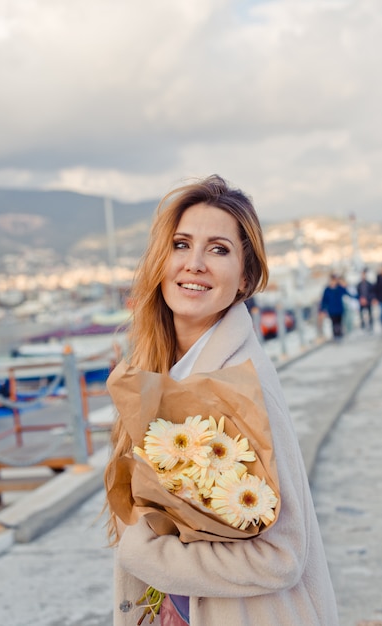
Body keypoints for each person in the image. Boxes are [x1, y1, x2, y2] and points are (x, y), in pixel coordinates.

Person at [104, 175, 339, 625]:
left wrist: (144, 553)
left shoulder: (239, 384)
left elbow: (280, 554)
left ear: (246, 276)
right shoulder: (169, 369)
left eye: (218, 249)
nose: (194, 264)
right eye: (181, 244)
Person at [319, 273, 349, 340]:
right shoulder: (327, 290)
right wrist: (322, 309)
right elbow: (324, 300)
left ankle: (340, 334)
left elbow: (347, 293)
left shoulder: (339, 288)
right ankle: (336, 336)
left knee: (339, 323)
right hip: (331, 310)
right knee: (334, 323)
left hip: (339, 309)